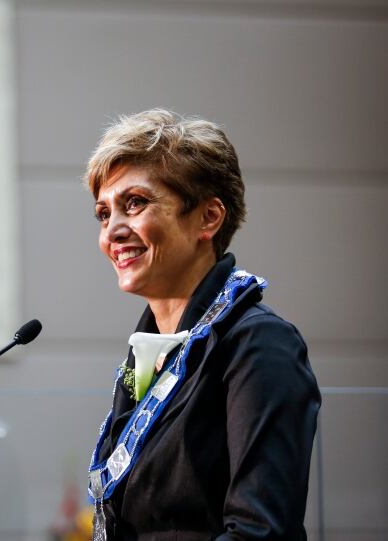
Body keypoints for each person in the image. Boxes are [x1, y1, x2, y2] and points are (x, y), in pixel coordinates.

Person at [84, 109, 320, 541]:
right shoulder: (147, 353)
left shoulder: (259, 345)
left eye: (134, 203)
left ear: (208, 218)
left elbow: (260, 533)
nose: (112, 231)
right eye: (103, 213)